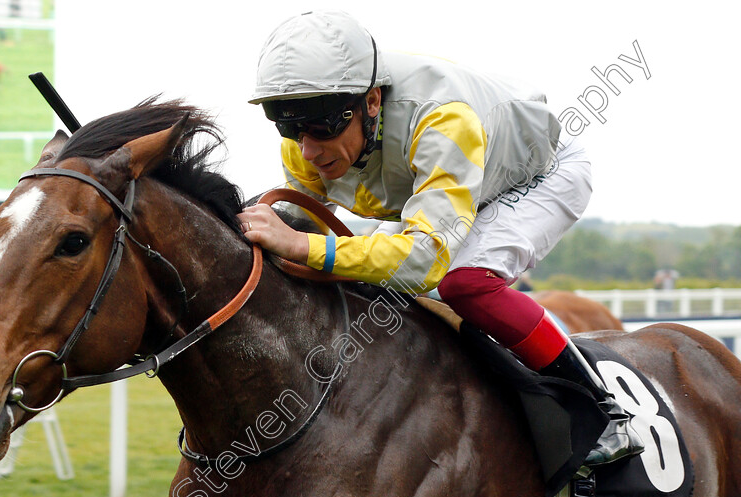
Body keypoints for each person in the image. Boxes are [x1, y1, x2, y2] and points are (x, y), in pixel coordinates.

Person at [239, 10, 643, 466]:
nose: (306, 149)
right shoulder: (305, 142)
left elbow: (422, 260)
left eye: (322, 127)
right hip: (451, 190)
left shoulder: (443, 121)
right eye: (289, 127)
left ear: (371, 102)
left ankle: (602, 410)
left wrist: (300, 245)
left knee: (463, 282)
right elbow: (289, 225)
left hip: (535, 176)